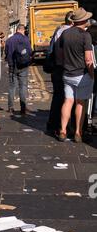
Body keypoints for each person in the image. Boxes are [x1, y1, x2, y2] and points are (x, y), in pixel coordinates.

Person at [59, 8, 94, 143]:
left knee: (68, 101)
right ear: (83, 21)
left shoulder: (65, 33)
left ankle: (63, 130)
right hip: (81, 75)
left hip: (67, 74)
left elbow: (61, 55)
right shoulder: (86, 36)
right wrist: (92, 75)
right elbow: (88, 60)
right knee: (80, 103)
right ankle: (78, 132)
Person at [46, 11, 74, 135]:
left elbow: (50, 51)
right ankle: (69, 127)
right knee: (71, 98)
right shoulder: (76, 33)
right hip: (71, 69)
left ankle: (53, 125)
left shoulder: (58, 31)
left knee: (57, 98)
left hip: (58, 68)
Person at [5, 24, 32, 115]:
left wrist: (10, 64)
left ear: (16, 30)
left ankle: (11, 107)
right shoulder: (25, 39)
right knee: (23, 87)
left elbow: (6, 53)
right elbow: (30, 52)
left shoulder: (9, 40)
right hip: (23, 66)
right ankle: (23, 108)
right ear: (22, 30)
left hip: (12, 66)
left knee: (12, 87)